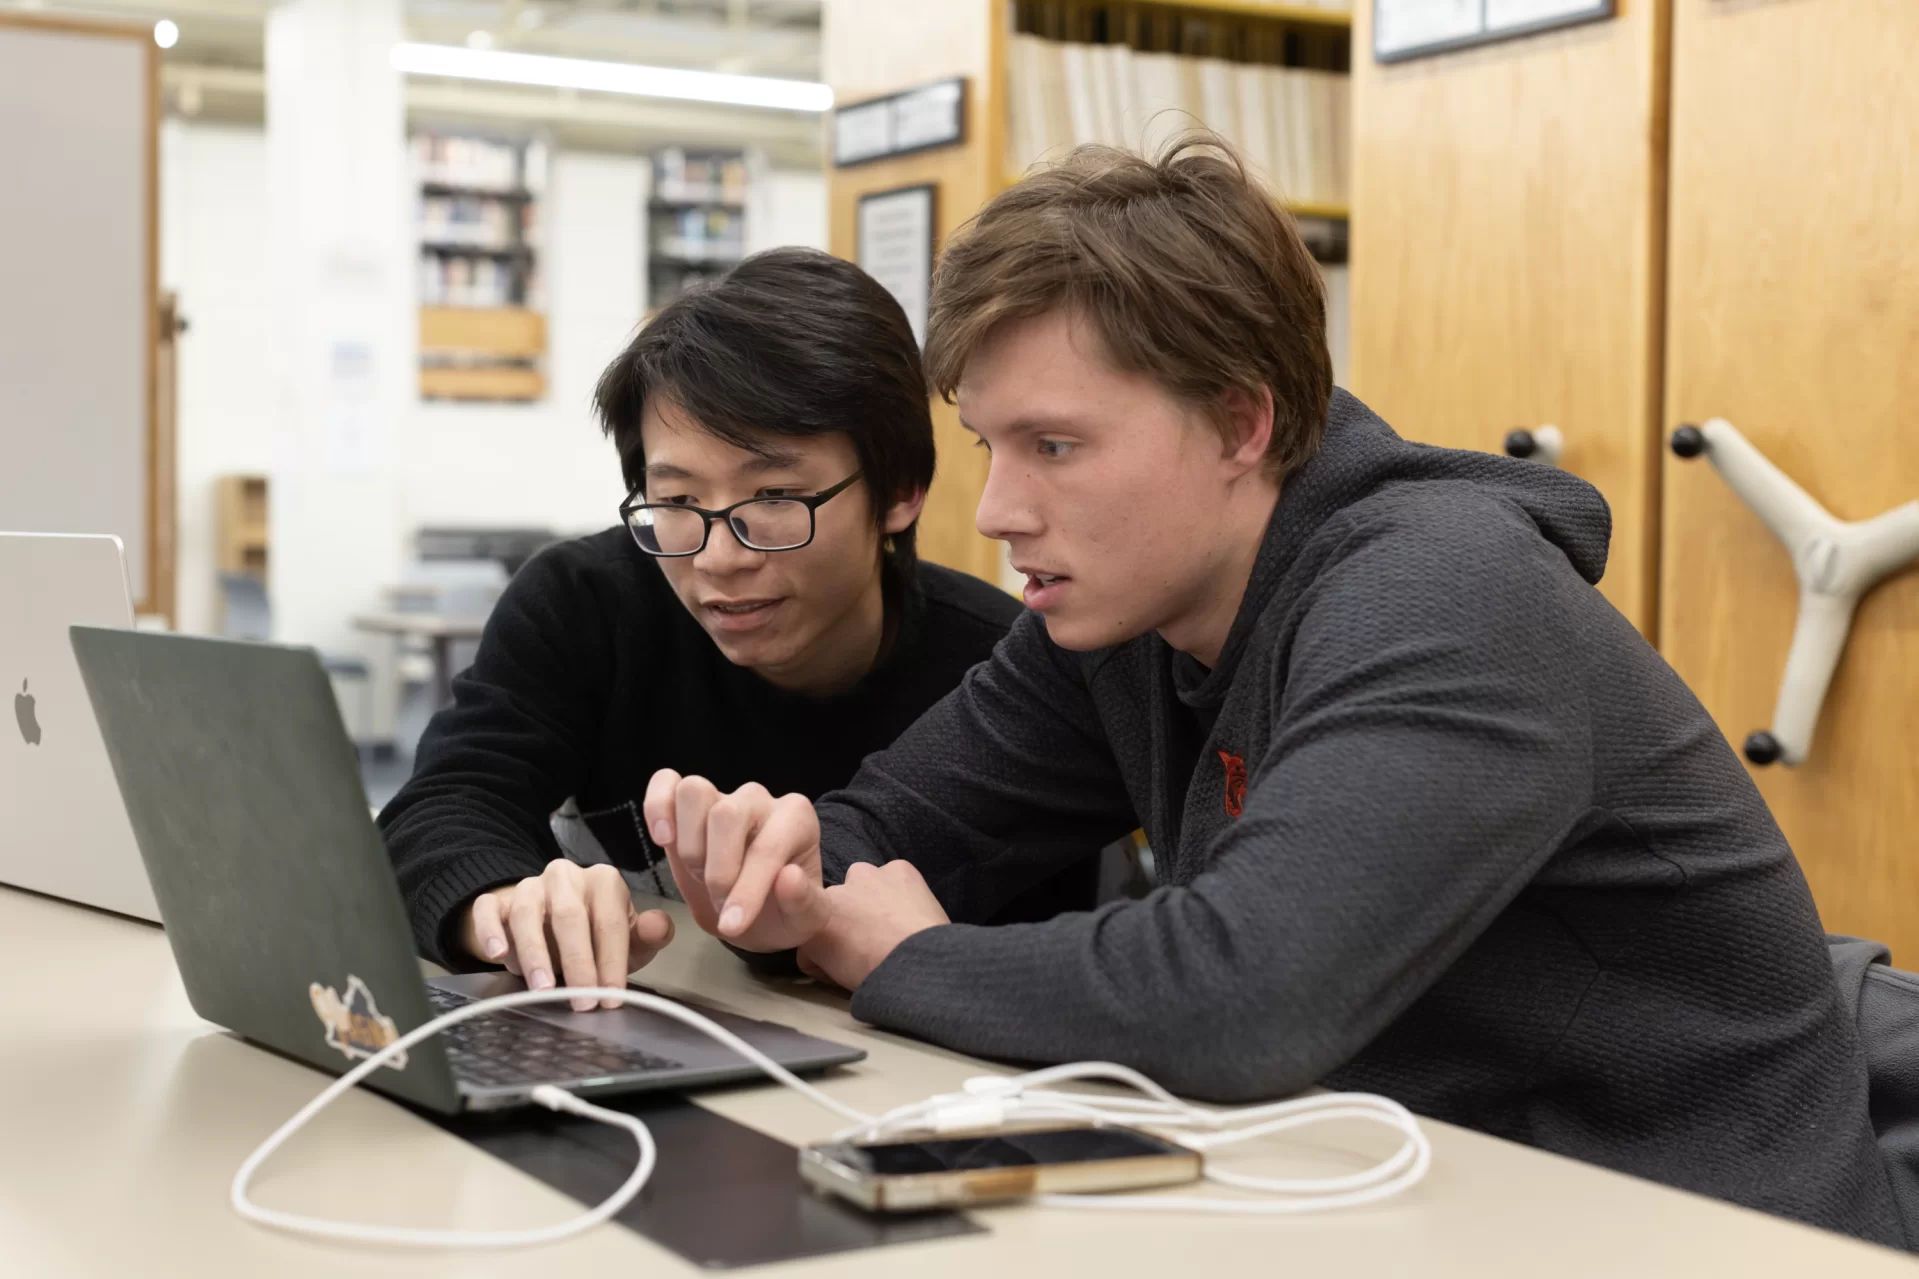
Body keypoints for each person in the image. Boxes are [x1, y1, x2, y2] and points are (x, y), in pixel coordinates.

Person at [641, 141, 1902, 1245]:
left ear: (1241, 424)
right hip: (1402, 1194)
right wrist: (775, 875)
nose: (998, 511)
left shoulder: (1445, 594)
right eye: (987, 444)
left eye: (1056, 446)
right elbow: (882, 830)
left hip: (1677, 1223)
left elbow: (1240, 998)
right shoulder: (1123, 601)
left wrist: (911, 957)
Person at [379, 247, 1087, 1012]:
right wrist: (497, 903)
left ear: (900, 492)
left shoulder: (1003, 671)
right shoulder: (584, 603)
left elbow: (1049, 947)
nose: (719, 557)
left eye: (775, 497)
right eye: (676, 499)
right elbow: (444, 802)